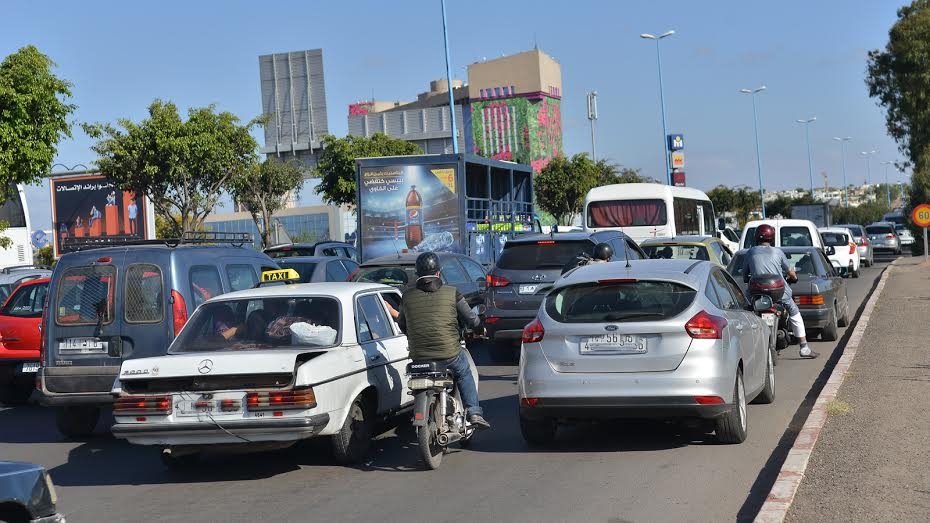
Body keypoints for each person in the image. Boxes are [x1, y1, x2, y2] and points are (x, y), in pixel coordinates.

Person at [397, 252, 491, 430]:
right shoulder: (452, 292)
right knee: (464, 371)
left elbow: (402, 323)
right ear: (438, 273)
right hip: (449, 354)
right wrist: (480, 329)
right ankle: (474, 412)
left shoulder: (407, 296)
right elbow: (471, 319)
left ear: (417, 274)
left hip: (419, 357)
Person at [745, 224, 818, 359]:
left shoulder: (750, 252)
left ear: (756, 237)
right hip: (778, 292)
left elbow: (745, 274)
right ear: (772, 238)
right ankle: (804, 347)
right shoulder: (777, 252)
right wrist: (794, 277)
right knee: (794, 312)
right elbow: (790, 271)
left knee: (746, 311)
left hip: (757, 292)